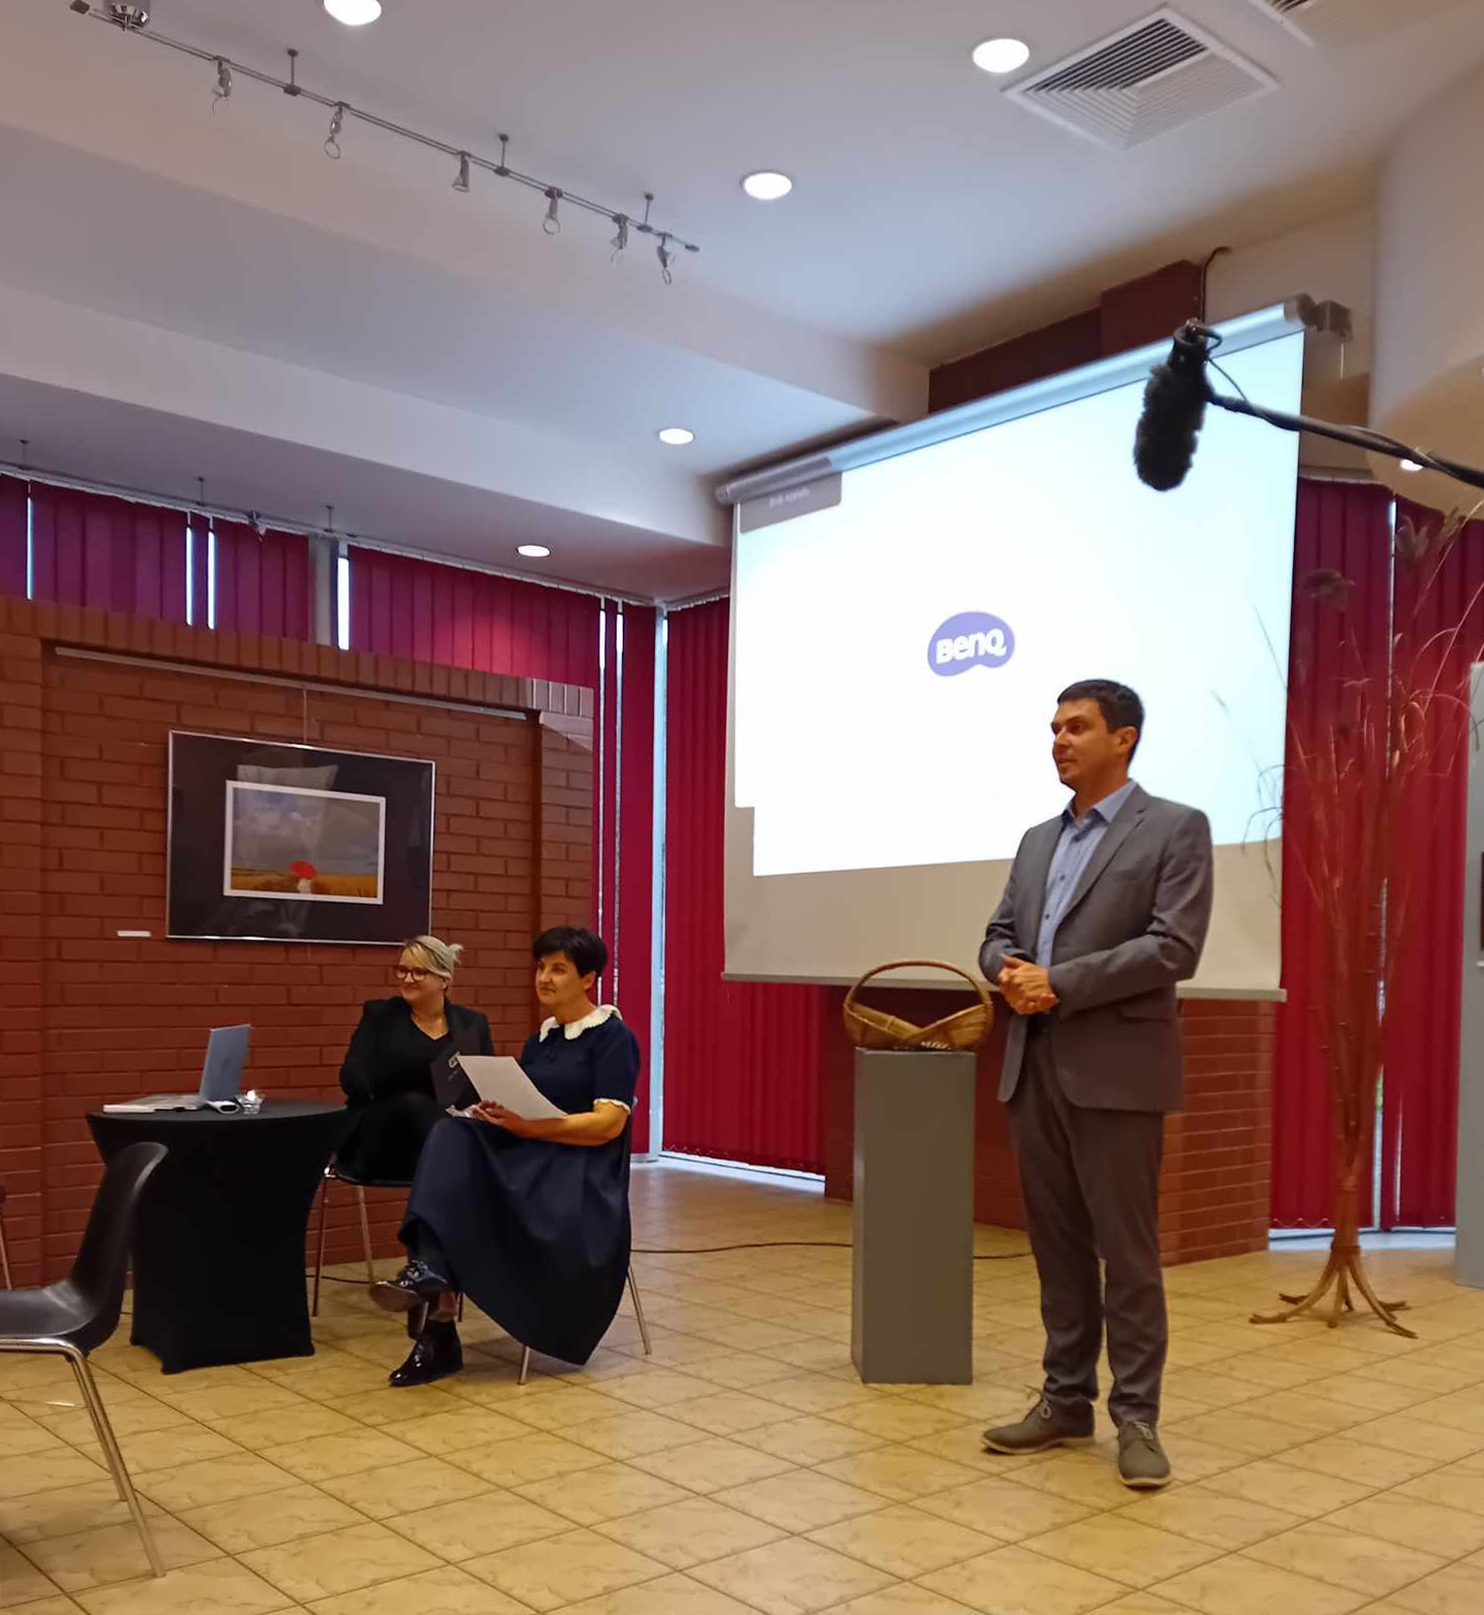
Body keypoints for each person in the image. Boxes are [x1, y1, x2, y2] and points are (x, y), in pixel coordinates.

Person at [978, 680, 1213, 1491]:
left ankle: (1137, 1416)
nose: (1059, 740)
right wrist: (1008, 972)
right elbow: (998, 933)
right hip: (1033, 1063)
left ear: (1125, 737)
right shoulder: (1037, 839)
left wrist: (1061, 983)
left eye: (1077, 726)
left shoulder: (1175, 827)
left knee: (1128, 1253)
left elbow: (1175, 946)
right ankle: (1066, 1397)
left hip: (1118, 1070)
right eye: (1054, 727)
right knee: (1058, 1248)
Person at [370, 925, 640, 1388]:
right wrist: (497, 1114)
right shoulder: (542, 1040)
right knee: (452, 1134)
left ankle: (438, 1322)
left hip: (578, 1171)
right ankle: (432, 1284)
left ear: (588, 979)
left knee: (458, 1190)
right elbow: (529, 1106)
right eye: (541, 968)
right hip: (532, 1155)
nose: (544, 978)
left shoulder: (613, 1037)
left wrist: (529, 1128)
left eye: (559, 969)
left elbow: (608, 1125)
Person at [335, 936, 493, 1182]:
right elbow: (351, 1078)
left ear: (444, 979)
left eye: (419, 972)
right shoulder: (380, 1016)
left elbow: (484, 1085)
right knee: (412, 1103)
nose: (407, 979)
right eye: (402, 970)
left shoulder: (472, 1024)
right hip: (385, 1138)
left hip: (445, 1134)